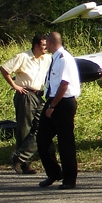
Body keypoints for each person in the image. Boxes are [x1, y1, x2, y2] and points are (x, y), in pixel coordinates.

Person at [0, 34, 51, 174]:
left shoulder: (46, 58)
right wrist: (15, 85)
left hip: (39, 95)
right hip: (26, 95)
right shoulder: (23, 57)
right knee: (24, 128)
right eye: (43, 45)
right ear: (36, 45)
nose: (46, 47)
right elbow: (4, 69)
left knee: (43, 126)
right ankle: (24, 164)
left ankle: (20, 157)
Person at [36, 31, 81, 190]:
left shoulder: (64, 58)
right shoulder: (55, 58)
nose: (45, 46)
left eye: (46, 43)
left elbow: (64, 85)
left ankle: (69, 179)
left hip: (63, 102)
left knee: (65, 142)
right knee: (42, 138)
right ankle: (54, 173)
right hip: (53, 99)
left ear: (50, 42)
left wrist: (52, 106)